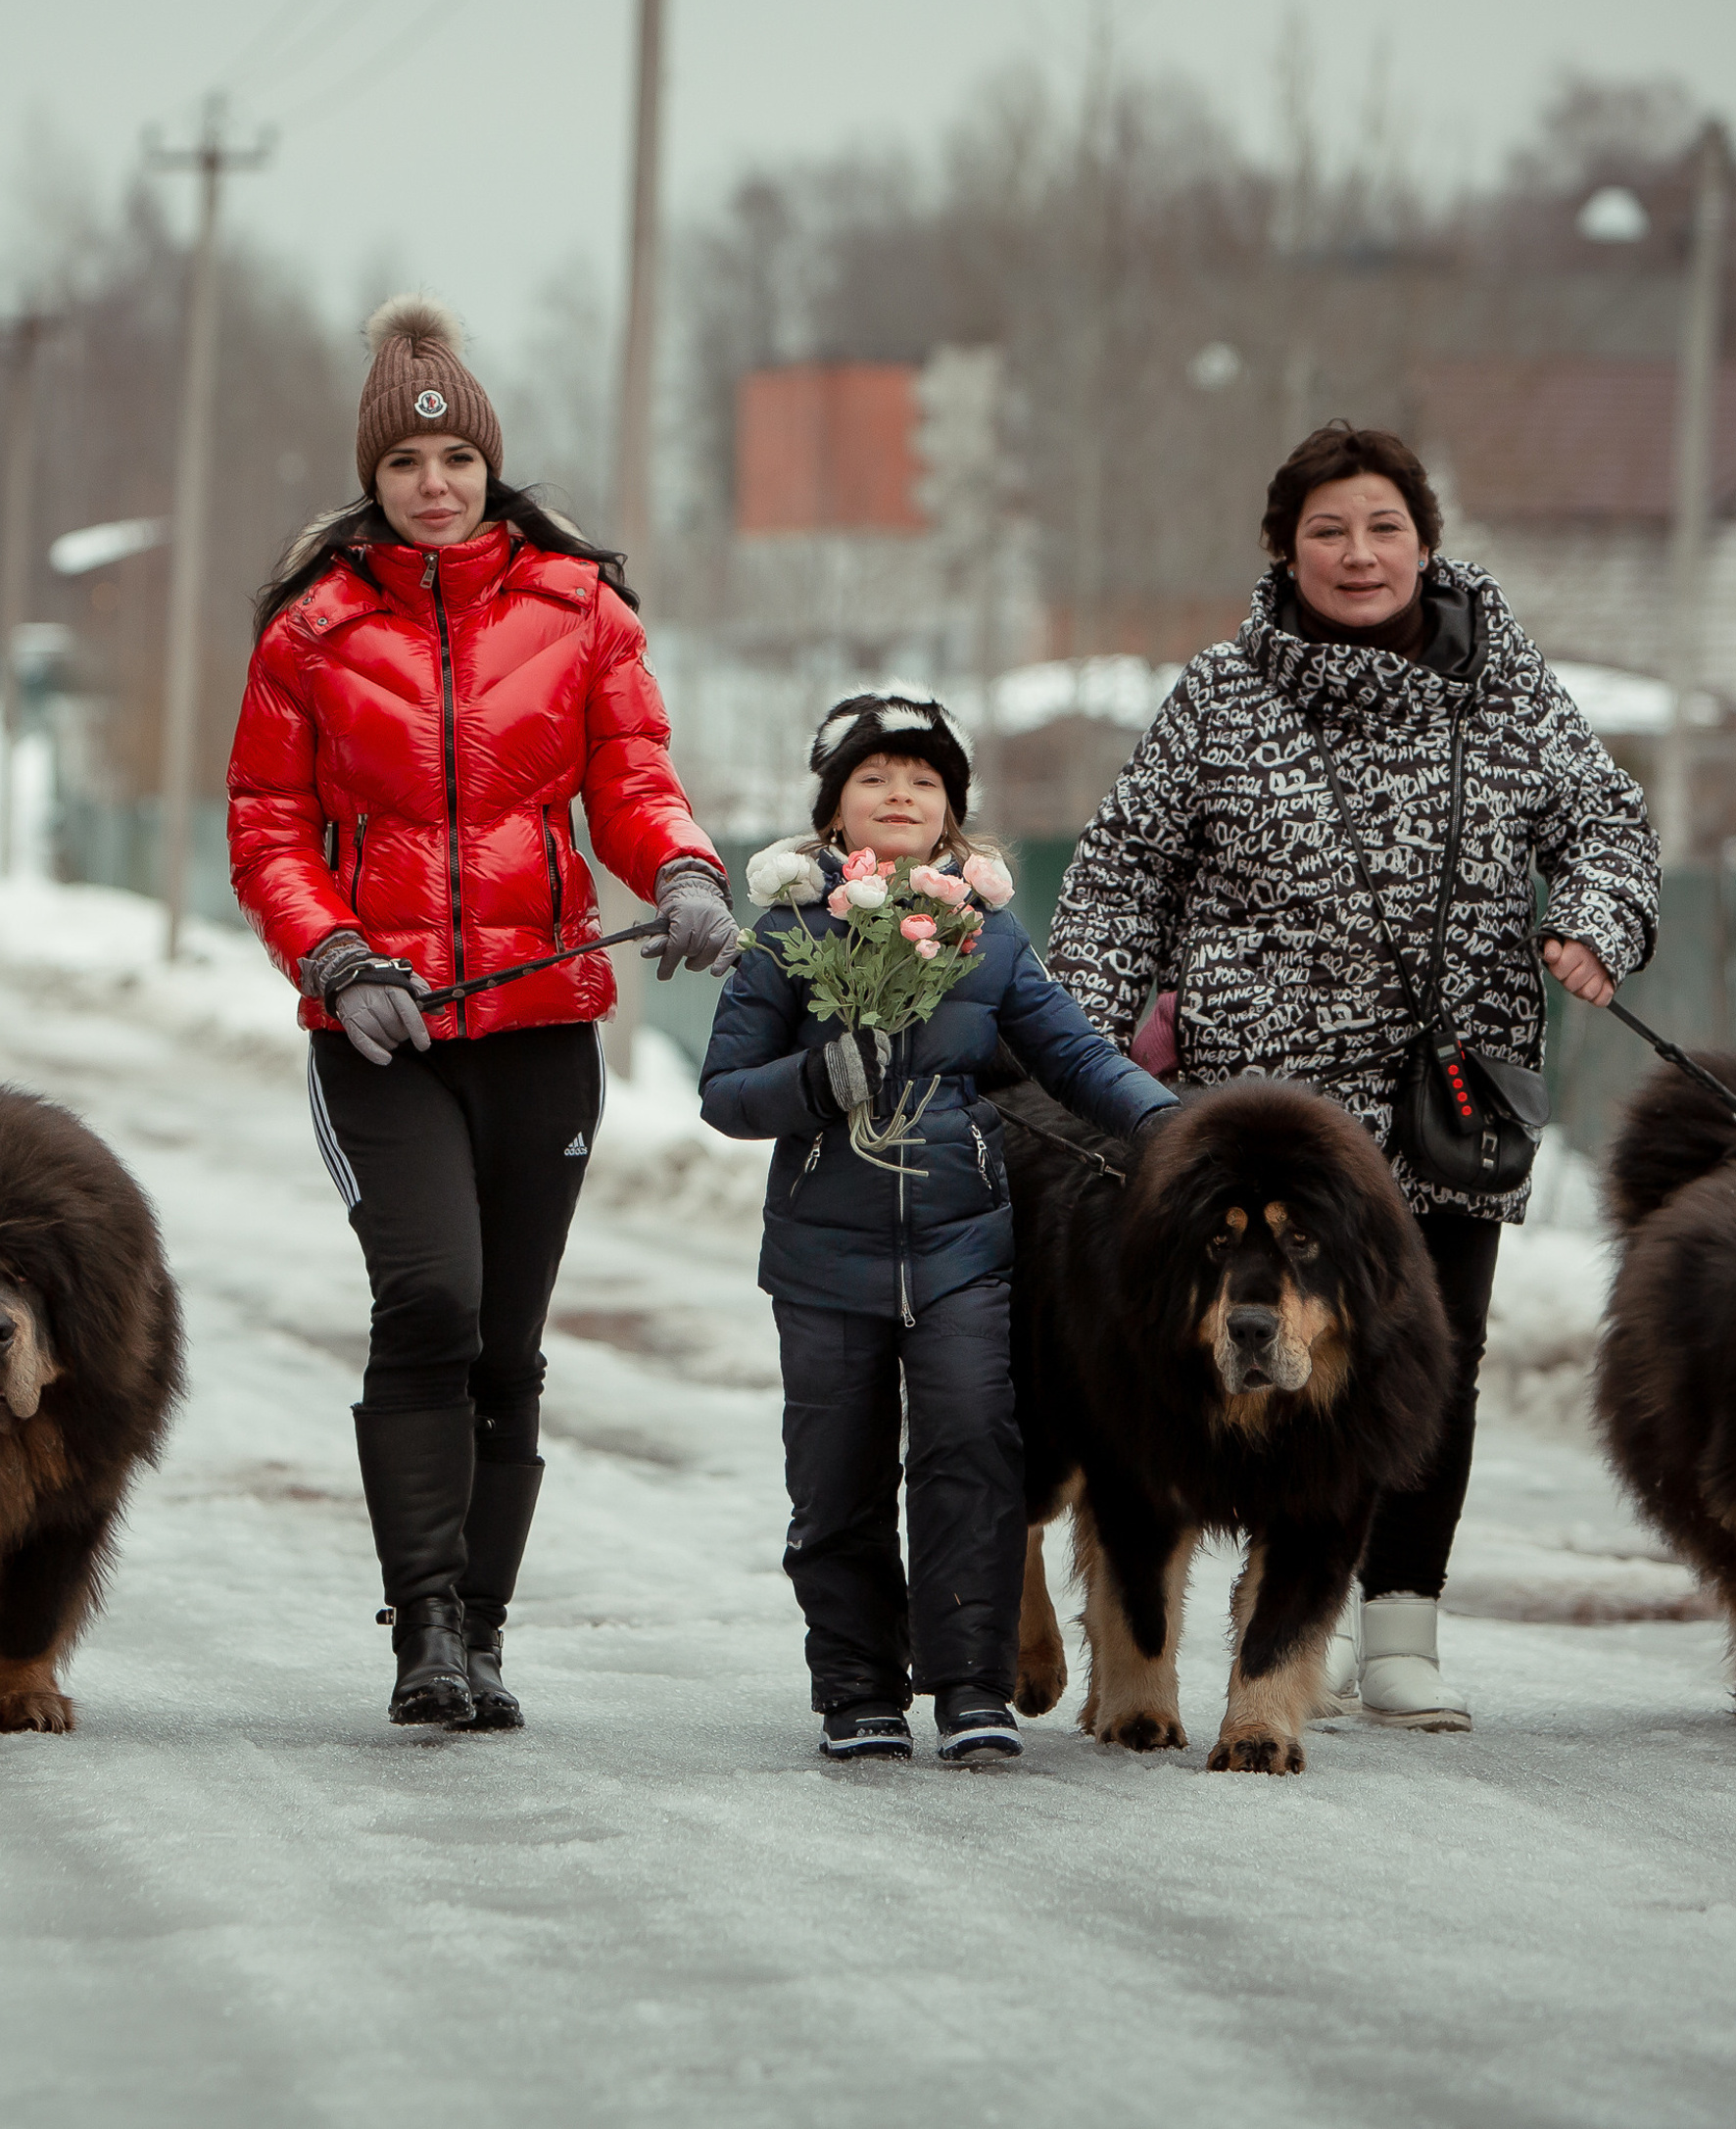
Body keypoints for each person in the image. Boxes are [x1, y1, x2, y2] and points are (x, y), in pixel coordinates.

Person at [1049, 421, 1660, 1730]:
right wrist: (1074, 1050)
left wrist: (1596, 925)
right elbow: (1119, 878)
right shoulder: (1217, 695)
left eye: (1384, 526)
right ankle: (1196, 1622)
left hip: (1449, 1102)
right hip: (1256, 1120)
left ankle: (1399, 1630)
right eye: (1328, 530)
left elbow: (1605, 821)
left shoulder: (1507, 688)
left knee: (1428, 1365)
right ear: (1284, 551)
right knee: (1206, 1358)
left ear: (1426, 543)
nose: (1359, 553)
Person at [227, 296, 741, 1732]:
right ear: (374, 481)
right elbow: (264, 827)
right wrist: (336, 961)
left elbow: (632, 782)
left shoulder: (582, 611)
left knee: (508, 1342)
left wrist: (688, 868)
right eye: (405, 467)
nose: (434, 486)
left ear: (489, 467)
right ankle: (423, 1626)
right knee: (432, 1303)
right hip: (382, 1038)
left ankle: (483, 1633)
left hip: (537, 1029)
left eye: (456, 463)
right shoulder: (314, 631)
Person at [699, 694, 1178, 1765]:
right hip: (824, 1252)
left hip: (962, 1247)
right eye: (875, 779)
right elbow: (726, 1094)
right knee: (836, 1472)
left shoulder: (986, 936)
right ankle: (858, 1687)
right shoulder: (785, 933)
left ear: (952, 815)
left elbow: (1079, 1059)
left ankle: (971, 1684)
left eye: (923, 781)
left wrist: (1177, 1128)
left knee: (972, 1455)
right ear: (832, 817)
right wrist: (818, 1078)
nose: (901, 795)